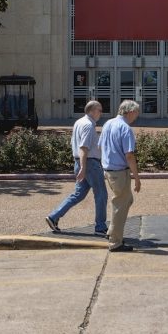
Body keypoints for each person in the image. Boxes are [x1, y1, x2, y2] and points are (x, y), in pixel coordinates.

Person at [45, 101, 107, 236]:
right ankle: (100, 227)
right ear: (91, 110)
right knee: (101, 194)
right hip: (89, 164)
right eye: (99, 110)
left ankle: (54, 216)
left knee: (78, 194)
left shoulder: (79, 122)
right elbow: (83, 148)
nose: (101, 113)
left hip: (80, 162)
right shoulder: (88, 125)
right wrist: (84, 168)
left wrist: (81, 166)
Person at [100, 99, 142, 252]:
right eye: (136, 112)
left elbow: (101, 146)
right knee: (120, 205)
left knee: (126, 200)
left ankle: (112, 231)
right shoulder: (125, 128)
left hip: (109, 170)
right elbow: (129, 155)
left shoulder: (108, 123)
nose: (137, 116)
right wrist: (137, 178)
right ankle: (115, 242)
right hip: (119, 172)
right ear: (130, 112)